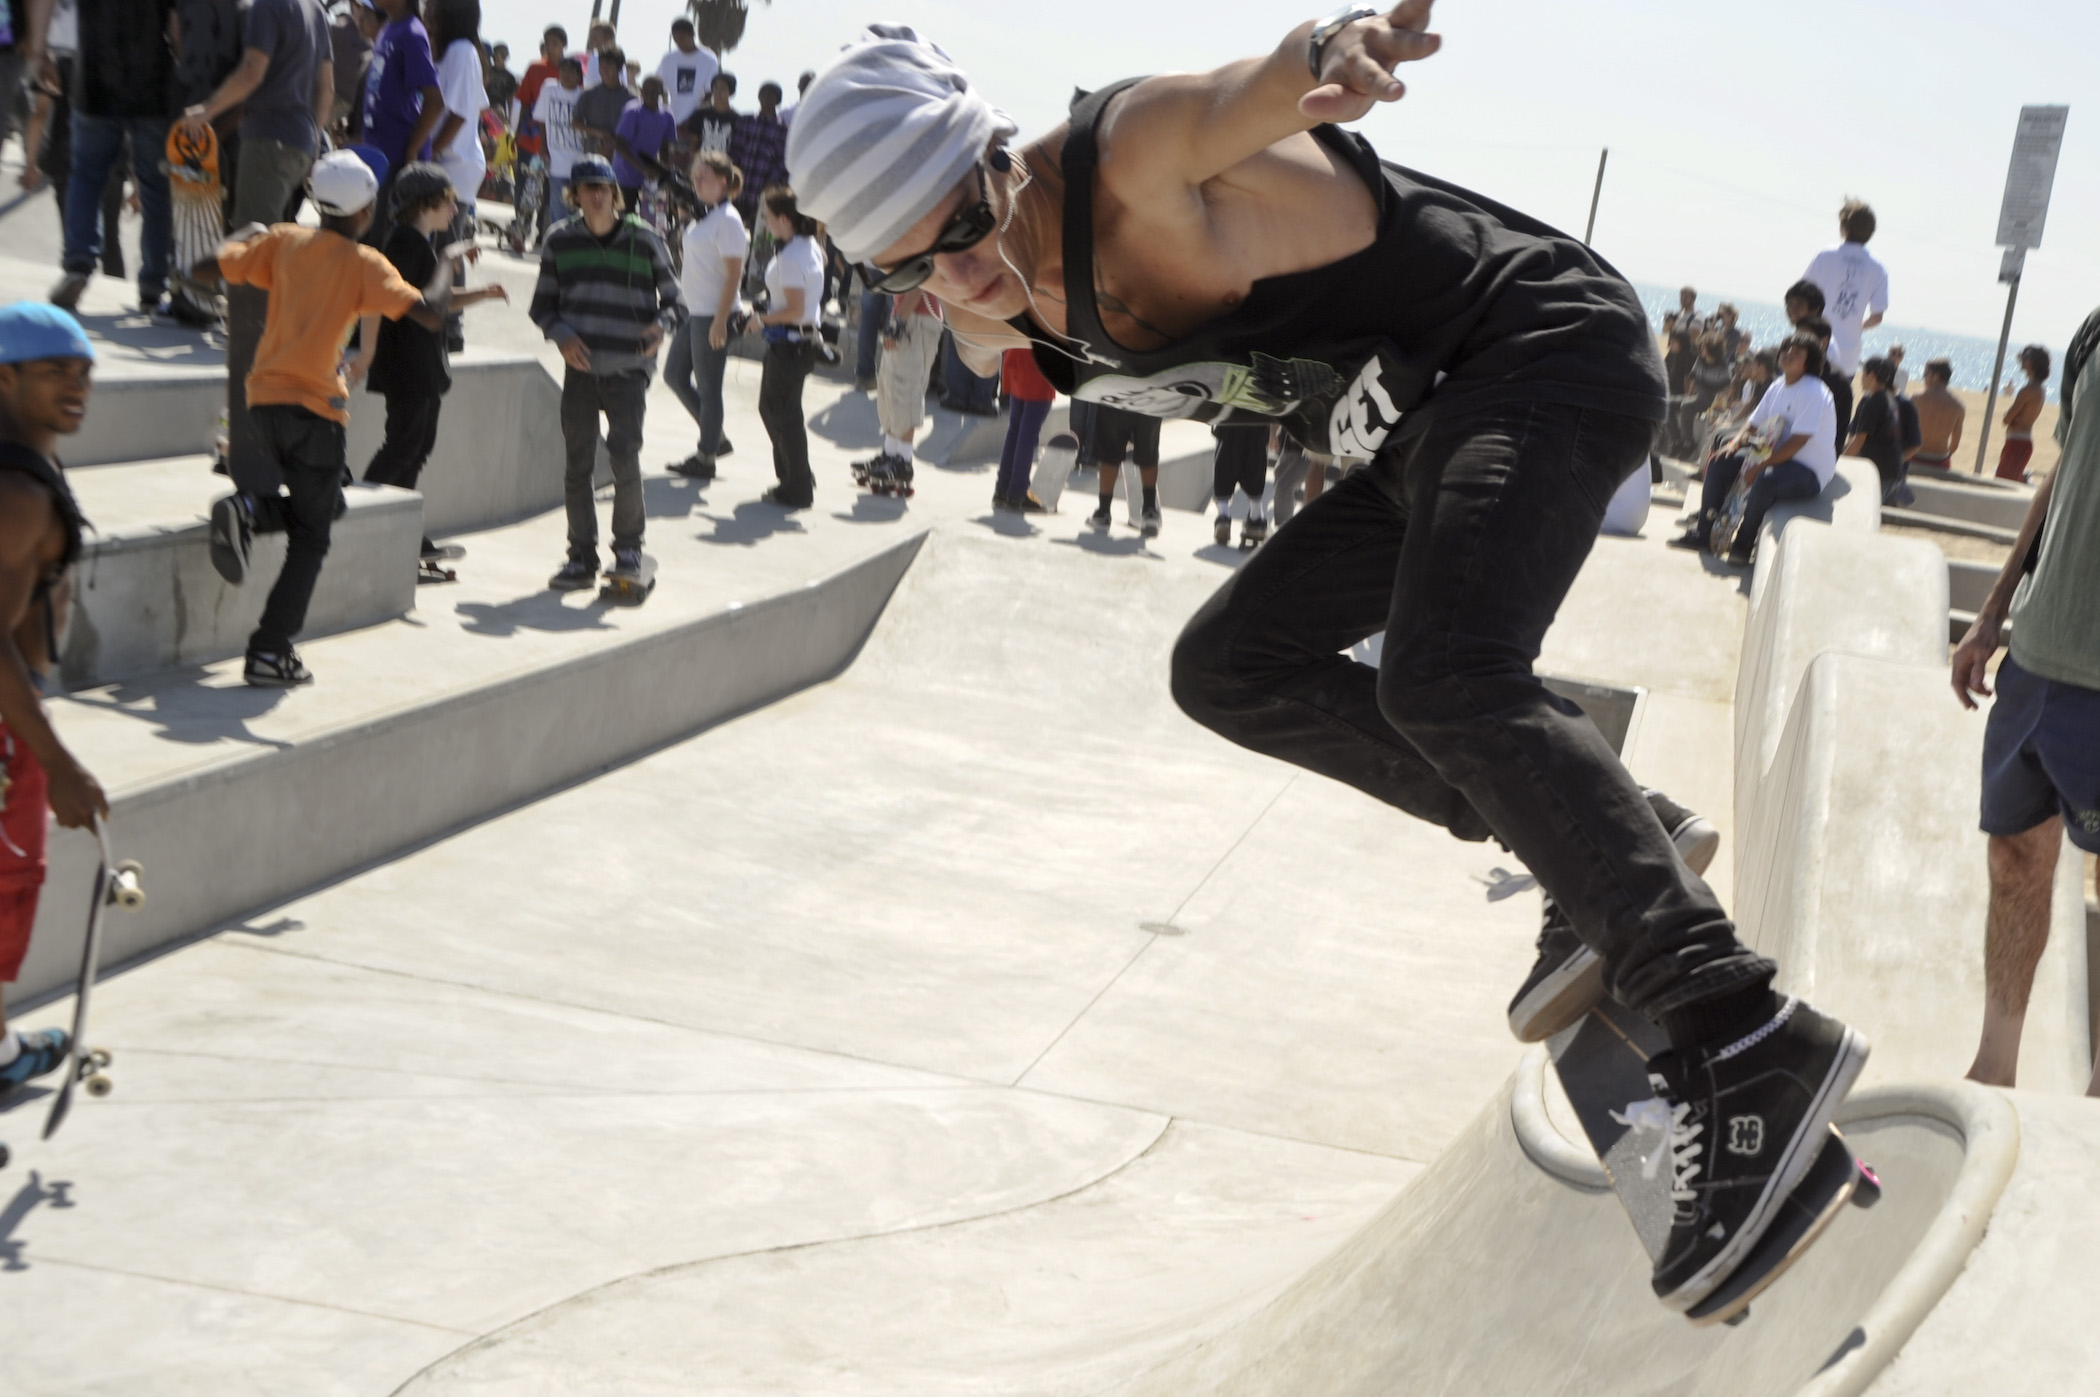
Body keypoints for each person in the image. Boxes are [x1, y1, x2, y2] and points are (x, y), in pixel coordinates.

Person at [787, 12, 1871, 1315]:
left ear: (994, 159)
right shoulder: (990, 309)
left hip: (1540, 351)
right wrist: (943, 287)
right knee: (1231, 664)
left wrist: (1326, 57)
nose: (960, 283)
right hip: (1419, 438)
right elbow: (959, 308)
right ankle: (1600, 820)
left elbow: (1231, 105)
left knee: (1445, 672)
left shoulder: (1120, 163)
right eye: (911, 274)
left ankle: (1744, 1034)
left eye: (963, 235)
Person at [197, 149, 455, 687]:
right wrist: (447, 262)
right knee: (313, 536)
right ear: (367, 211)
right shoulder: (366, 264)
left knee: (327, 505)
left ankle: (250, 510)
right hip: (316, 411)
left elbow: (204, 269)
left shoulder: (282, 240)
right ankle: (270, 650)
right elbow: (430, 315)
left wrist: (240, 235)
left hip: (262, 403)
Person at [1953, 306, 2100, 1097]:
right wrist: (1993, 609)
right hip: (2040, 655)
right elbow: (2063, 471)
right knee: (2014, 860)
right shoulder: (2094, 332)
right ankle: (1994, 1068)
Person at [0, 302, 111, 1091]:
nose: (76, 385)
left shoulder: (24, 467)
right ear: (5, 377)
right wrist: (57, 761)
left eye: (83, 371)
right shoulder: (19, 493)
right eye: (53, 370)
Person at [177, 0, 333, 489]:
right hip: (300, 142)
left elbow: (252, 70)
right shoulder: (315, 11)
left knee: (248, 282)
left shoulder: (272, 5)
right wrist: (313, 138)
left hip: (268, 141)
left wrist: (206, 110)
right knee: (268, 272)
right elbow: (325, 86)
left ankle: (245, 429)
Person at [529, 155, 683, 589]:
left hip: (628, 371)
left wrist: (662, 324)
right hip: (580, 373)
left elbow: (676, 300)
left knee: (624, 457)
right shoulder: (559, 241)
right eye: (587, 188)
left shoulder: (646, 239)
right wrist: (560, 334)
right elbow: (543, 305)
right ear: (573, 195)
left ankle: (629, 547)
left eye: (604, 187)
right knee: (577, 464)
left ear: (615, 192)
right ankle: (580, 554)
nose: (597, 195)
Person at [358, 162, 506, 567]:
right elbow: (428, 309)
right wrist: (450, 256)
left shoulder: (418, 243)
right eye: (448, 201)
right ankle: (360, 516)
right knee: (402, 447)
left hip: (421, 366)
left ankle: (399, 525)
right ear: (426, 203)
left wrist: (478, 293)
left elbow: (433, 299)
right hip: (408, 366)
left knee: (417, 447)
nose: (455, 209)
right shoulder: (406, 243)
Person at [45, 0, 177, 315]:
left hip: (94, 81)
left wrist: (40, 51)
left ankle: (79, 262)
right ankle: (153, 283)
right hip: (153, 85)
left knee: (86, 177)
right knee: (155, 187)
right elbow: (175, 26)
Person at [1670, 333, 1836, 563]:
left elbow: (1798, 442)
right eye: (1786, 349)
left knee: (1764, 480)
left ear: (1809, 362)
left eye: (1796, 353)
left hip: (1807, 470)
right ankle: (1703, 533)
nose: (1787, 354)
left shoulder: (1813, 392)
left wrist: (1758, 468)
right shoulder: (1778, 385)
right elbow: (1753, 423)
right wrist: (1734, 443)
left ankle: (1743, 545)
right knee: (1719, 462)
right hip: (1774, 457)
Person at [664, 150, 747, 480]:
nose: (696, 182)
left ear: (722, 182)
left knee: (709, 388)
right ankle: (715, 438)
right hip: (695, 311)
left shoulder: (728, 220)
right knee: (674, 375)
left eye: (703, 178)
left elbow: (733, 275)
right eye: (694, 177)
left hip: (713, 314)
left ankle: (706, 455)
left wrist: (720, 320)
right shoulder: (708, 216)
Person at [752, 185, 824, 510]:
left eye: (768, 217)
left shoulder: (792, 257)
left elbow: (794, 309)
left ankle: (797, 486)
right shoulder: (809, 247)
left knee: (782, 414)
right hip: (798, 342)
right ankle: (796, 477)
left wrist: (761, 319)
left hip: (790, 342)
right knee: (778, 411)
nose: (766, 224)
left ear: (783, 219)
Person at [361, 0, 444, 246]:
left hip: (397, 160)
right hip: (376, 154)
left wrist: (412, 148)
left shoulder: (411, 33)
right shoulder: (389, 28)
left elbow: (435, 101)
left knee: (383, 249)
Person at [854, 284, 943, 494]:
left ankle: (903, 461)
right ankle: (891, 452)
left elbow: (922, 278)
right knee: (890, 390)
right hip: (905, 316)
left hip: (916, 320)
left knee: (906, 390)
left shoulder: (919, 249)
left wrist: (900, 321)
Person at [1801, 199, 1888, 378]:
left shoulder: (1825, 255)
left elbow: (1802, 294)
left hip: (1813, 348)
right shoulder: (1878, 267)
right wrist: (1857, 326)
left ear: (1844, 228)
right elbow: (1877, 316)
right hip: (1848, 356)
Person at [993, 343, 1055, 511]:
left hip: (1016, 356)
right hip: (1039, 362)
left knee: (1015, 428)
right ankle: (1017, 491)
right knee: (1028, 432)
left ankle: (1002, 489)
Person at [1085, 404, 1161, 536]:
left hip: (1118, 394)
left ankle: (1104, 511)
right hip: (1150, 396)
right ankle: (1149, 511)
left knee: (1109, 452)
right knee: (1148, 450)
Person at [530, 56, 585, 237]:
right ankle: (557, 244)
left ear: (579, 75)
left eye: (571, 72)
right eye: (563, 70)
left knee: (576, 210)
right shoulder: (549, 88)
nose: (566, 75)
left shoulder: (584, 96)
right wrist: (543, 144)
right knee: (557, 208)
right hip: (556, 161)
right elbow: (542, 120)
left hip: (578, 162)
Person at [1845, 356, 1906, 504]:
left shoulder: (1873, 403)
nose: (1861, 378)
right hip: (1892, 470)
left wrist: (1841, 463)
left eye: (1863, 374)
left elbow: (1859, 439)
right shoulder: (1890, 400)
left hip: (1880, 472)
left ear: (1871, 376)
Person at [728, 80, 788, 227]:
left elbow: (782, 162)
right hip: (739, 189)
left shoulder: (783, 129)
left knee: (759, 236)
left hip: (762, 191)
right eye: (763, 95)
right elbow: (735, 151)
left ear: (777, 100)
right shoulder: (746, 121)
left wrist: (771, 184)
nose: (766, 99)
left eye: (771, 96)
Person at [613, 74, 678, 207]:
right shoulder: (632, 112)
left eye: (654, 90)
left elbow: (664, 147)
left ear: (661, 92)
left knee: (651, 218)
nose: (649, 94)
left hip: (649, 179)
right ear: (641, 91)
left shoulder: (667, 115)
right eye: (646, 90)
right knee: (626, 218)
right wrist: (642, 169)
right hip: (625, 175)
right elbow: (619, 145)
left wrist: (663, 171)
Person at [1210, 420, 1270, 546]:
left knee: (1225, 462)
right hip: (1258, 417)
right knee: (1256, 464)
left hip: (1231, 416)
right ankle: (1256, 518)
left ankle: (1223, 517)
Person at [571, 43, 631, 164]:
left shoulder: (632, 98)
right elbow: (575, 123)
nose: (603, 69)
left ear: (619, 67)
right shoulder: (588, 94)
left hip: (622, 161)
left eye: (608, 65)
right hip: (593, 159)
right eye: (601, 65)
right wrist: (598, 133)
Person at [1996, 346, 2048, 483]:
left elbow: (2007, 419)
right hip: (2019, 441)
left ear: (2035, 363)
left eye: (2027, 357)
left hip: (2017, 442)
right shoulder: (2039, 388)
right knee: (2007, 482)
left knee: (2002, 483)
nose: (2023, 360)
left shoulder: (2028, 390)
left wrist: (2010, 418)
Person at [655, 16, 716, 126]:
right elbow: (659, 87)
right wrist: (666, 112)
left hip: (698, 122)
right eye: (675, 39)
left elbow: (709, 94)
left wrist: (690, 120)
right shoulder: (668, 59)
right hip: (671, 122)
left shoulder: (709, 59)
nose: (678, 43)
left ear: (692, 34)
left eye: (682, 38)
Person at [1910, 356, 1964, 472]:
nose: (1923, 377)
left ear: (1936, 376)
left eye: (1926, 373)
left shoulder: (1917, 398)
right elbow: (1955, 444)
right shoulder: (1958, 406)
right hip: (1940, 459)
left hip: (1914, 456)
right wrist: (1947, 455)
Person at [681, 70, 738, 158]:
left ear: (731, 92)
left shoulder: (737, 119)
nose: (718, 92)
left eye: (722, 88)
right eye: (715, 87)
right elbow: (693, 144)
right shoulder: (700, 114)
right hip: (702, 162)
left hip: (725, 165)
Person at [484, 39, 515, 122]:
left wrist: (509, 115)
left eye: (505, 53)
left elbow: (510, 98)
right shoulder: (487, 71)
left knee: (498, 134)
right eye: (501, 53)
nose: (504, 55)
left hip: (500, 112)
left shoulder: (510, 77)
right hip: (485, 109)